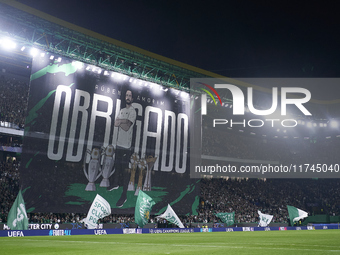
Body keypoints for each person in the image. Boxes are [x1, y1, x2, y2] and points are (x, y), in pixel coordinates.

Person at [108, 89, 136, 207]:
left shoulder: (133, 111)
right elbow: (115, 123)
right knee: (117, 167)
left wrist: (122, 121)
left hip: (126, 147)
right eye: (127, 95)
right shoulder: (122, 110)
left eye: (130, 95)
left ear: (132, 98)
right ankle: (115, 183)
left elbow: (127, 126)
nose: (128, 97)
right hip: (119, 144)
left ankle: (124, 195)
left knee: (125, 171)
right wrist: (122, 121)